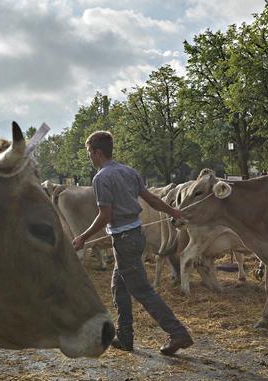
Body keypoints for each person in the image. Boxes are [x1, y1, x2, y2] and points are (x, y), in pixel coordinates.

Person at [72, 130, 194, 355]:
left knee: (142, 291)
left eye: (89, 152)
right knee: (119, 287)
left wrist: (83, 237)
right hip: (136, 237)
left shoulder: (101, 178)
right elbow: (152, 200)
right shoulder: (129, 171)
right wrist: (173, 212)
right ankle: (125, 337)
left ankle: (178, 333)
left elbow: (105, 216)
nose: (89, 156)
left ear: (98, 152)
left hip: (124, 241)